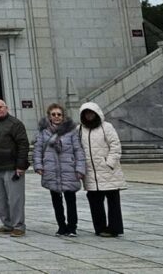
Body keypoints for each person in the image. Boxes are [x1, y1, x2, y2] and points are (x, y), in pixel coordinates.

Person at [34, 103, 85, 237]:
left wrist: (80, 168)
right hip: (51, 169)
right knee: (56, 200)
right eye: (53, 114)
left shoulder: (71, 131)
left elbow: (78, 150)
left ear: (63, 116)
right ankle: (61, 226)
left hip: (69, 168)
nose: (56, 117)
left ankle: (72, 227)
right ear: (49, 116)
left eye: (59, 114)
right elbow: (38, 149)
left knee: (70, 199)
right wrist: (38, 165)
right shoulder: (43, 131)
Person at [78, 102, 126, 237]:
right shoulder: (80, 129)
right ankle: (100, 228)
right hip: (91, 172)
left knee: (113, 201)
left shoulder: (107, 127)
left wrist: (109, 163)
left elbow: (115, 146)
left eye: (91, 113)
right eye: (86, 113)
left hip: (108, 171)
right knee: (94, 201)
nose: (89, 115)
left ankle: (115, 228)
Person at [0, 99, 29, 237]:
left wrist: (21, 165)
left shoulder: (15, 124)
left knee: (15, 199)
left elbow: (23, 145)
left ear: (6, 108)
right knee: (0, 198)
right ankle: (7, 224)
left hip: (12, 167)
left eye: (0, 107)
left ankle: (18, 225)